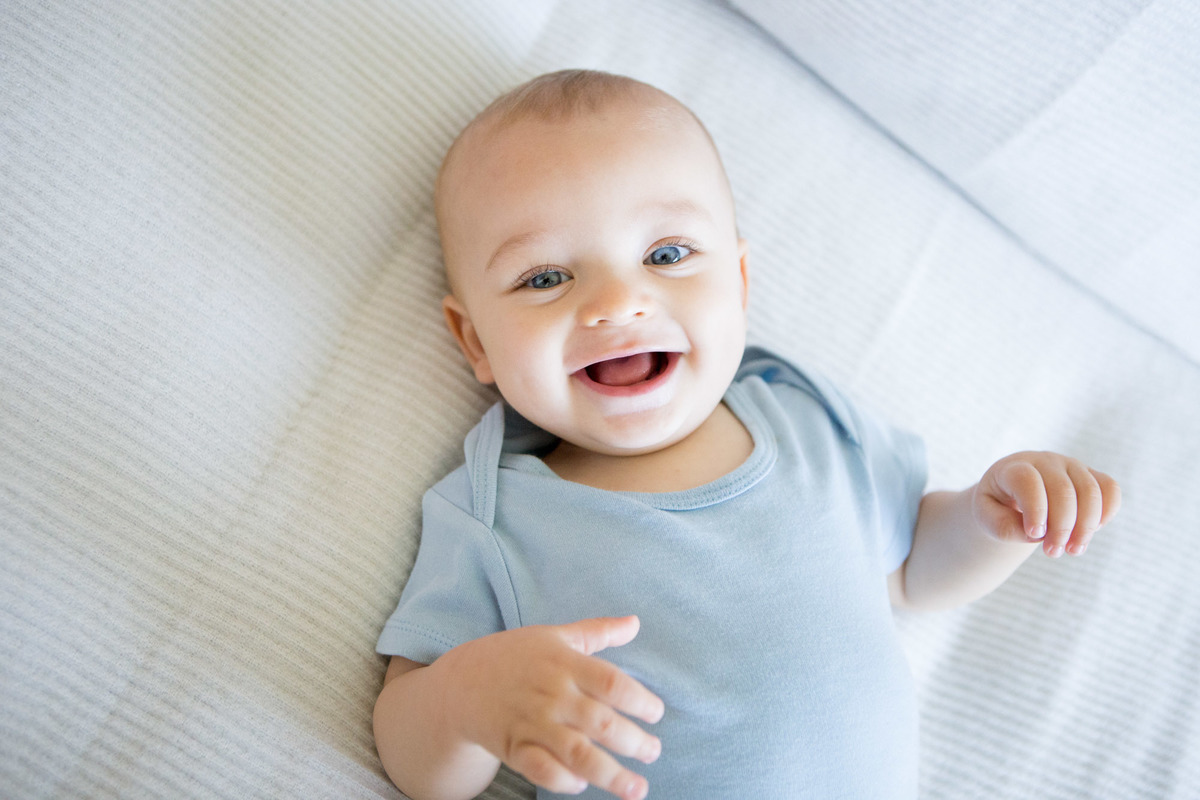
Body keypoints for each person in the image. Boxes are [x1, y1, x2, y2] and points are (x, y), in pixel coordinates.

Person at [371, 69, 1121, 800]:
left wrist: (995, 520)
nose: (618, 302)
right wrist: (465, 700)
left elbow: (913, 572)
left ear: (740, 282)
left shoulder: (805, 420)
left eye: (665, 255)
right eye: (543, 278)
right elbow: (415, 758)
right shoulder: (497, 518)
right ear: (474, 342)